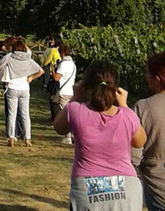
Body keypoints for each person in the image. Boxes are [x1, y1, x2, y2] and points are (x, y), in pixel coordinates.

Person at [53, 60, 146, 210]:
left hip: (87, 187)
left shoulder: (76, 110)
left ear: (87, 86)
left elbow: (59, 127)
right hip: (126, 188)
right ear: (116, 88)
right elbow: (140, 141)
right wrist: (124, 105)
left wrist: (75, 96)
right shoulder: (127, 116)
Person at [132, 52, 165, 211]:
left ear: (157, 78)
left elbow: (133, 156)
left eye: (148, 73)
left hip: (157, 187)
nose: (146, 77)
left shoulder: (143, 107)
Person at [0, 40, 43, 147]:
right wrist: (30, 78)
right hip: (25, 88)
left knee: (12, 114)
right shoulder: (28, 58)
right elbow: (40, 71)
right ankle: (27, 138)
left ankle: (11, 137)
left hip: (12, 87)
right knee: (25, 114)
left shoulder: (9, 57)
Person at [50, 44, 77, 144]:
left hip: (63, 91)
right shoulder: (73, 64)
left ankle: (68, 136)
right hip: (71, 91)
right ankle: (73, 135)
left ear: (62, 53)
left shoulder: (63, 64)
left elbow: (56, 78)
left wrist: (52, 69)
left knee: (65, 114)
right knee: (71, 114)